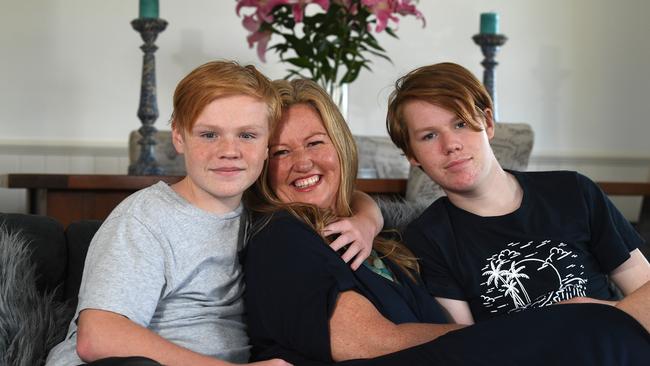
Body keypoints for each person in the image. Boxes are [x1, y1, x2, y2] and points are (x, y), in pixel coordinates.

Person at [243, 78, 650, 366]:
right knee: (592, 333)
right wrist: (549, 327)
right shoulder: (280, 236)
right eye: (279, 152)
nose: (302, 162)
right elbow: (368, 342)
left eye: (315, 143)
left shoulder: (378, 238)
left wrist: (368, 216)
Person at [45, 60, 292, 366]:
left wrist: (368, 218)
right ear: (178, 136)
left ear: (268, 143)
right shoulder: (145, 217)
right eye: (209, 135)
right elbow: (98, 337)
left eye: (247, 135)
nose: (229, 150)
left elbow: (344, 200)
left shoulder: (264, 212)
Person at [385, 62, 650, 324]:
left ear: (488, 123)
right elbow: (463, 345)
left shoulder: (573, 191)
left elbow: (644, 295)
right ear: (412, 156)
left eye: (460, 124)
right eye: (429, 136)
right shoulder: (428, 237)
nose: (451, 144)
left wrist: (591, 311)